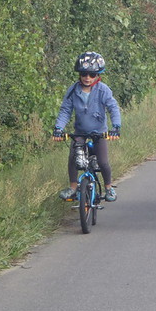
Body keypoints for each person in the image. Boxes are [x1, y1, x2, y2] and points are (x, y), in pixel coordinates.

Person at [53, 51, 121, 202]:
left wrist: (116, 127)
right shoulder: (73, 90)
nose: (87, 78)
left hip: (99, 132)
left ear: (98, 75)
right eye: (84, 74)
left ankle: (109, 188)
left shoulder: (103, 90)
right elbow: (65, 111)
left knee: (103, 161)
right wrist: (58, 128)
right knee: (73, 157)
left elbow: (113, 108)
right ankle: (72, 188)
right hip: (80, 131)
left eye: (92, 74)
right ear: (79, 74)